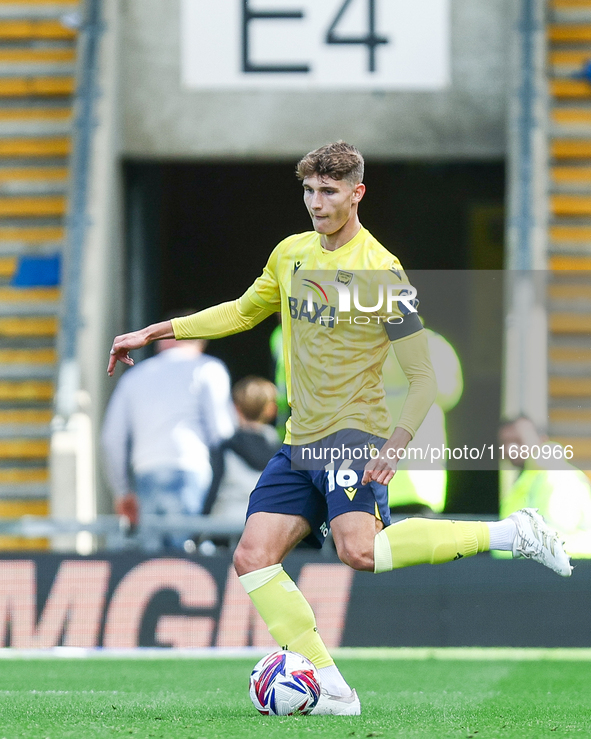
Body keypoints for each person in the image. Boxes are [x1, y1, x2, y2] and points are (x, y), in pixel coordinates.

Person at [108, 142, 572, 715]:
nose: (315, 203)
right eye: (308, 191)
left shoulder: (381, 271)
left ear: (357, 194)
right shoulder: (292, 254)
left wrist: (396, 448)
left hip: (355, 432)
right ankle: (332, 688)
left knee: (361, 551)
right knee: (253, 556)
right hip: (300, 440)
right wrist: (153, 333)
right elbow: (239, 311)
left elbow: (422, 377)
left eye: (328, 192)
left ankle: (510, 534)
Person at [102, 330, 234, 550]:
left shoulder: (134, 377)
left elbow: (111, 439)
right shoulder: (208, 368)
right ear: (198, 342)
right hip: (192, 471)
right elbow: (223, 433)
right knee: (191, 559)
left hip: (145, 474)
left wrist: (123, 492)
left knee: (152, 563)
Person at [384, 327, 463, 515]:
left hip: (402, 485)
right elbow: (450, 393)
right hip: (421, 485)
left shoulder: (367, 344)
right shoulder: (435, 344)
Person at [499, 417, 591, 558]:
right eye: (504, 442)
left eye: (518, 441)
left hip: (555, 576)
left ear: (542, 440)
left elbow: (553, 540)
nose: (509, 449)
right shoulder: (527, 479)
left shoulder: (555, 476)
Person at [204, 375, 281, 524]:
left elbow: (213, 492)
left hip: (228, 525)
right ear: (271, 410)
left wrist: (197, 535)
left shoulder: (225, 448)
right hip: (267, 524)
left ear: (236, 408)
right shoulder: (282, 452)